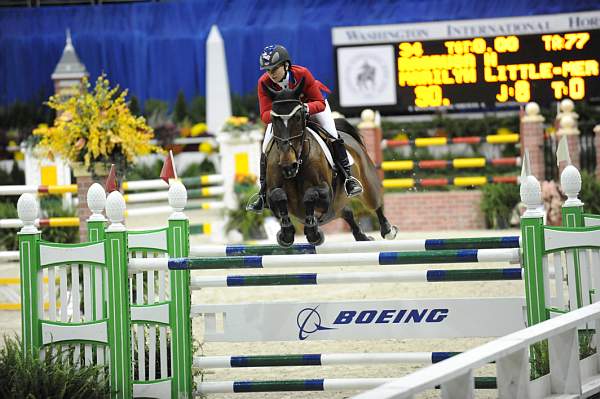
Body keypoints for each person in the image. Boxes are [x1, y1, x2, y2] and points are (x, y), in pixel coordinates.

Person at [247, 44, 363, 213]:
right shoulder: (263, 83)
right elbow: (264, 115)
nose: (271, 74)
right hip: (284, 119)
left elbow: (320, 104)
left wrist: (304, 109)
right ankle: (263, 192)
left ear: (286, 65)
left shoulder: (302, 74)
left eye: (274, 68)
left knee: (332, 133)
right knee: (266, 147)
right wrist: (282, 114)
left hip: (312, 107)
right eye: (267, 70)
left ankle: (348, 179)